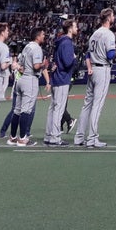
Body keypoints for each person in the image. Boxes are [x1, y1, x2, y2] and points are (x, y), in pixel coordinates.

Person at [74, 8, 116, 148]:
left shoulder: (94, 34)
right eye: (113, 15)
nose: (114, 17)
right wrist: (115, 51)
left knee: (87, 104)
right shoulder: (108, 34)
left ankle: (79, 137)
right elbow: (110, 55)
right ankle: (92, 139)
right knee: (97, 105)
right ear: (109, 18)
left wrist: (89, 67)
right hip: (102, 69)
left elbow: (87, 55)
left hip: (92, 70)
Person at [43, 18, 78, 146]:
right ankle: (55, 137)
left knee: (53, 108)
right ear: (69, 28)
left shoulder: (59, 41)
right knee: (59, 108)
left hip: (56, 78)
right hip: (63, 78)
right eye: (75, 26)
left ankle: (49, 135)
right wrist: (74, 59)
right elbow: (68, 62)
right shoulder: (67, 42)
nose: (77, 29)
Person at [10, 29, 45, 145]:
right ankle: (22, 139)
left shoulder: (26, 47)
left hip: (21, 79)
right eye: (43, 34)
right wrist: (44, 64)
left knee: (17, 110)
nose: (44, 36)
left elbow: (20, 66)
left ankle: (13, 137)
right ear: (38, 36)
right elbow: (36, 66)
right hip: (30, 79)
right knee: (26, 110)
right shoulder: (36, 48)